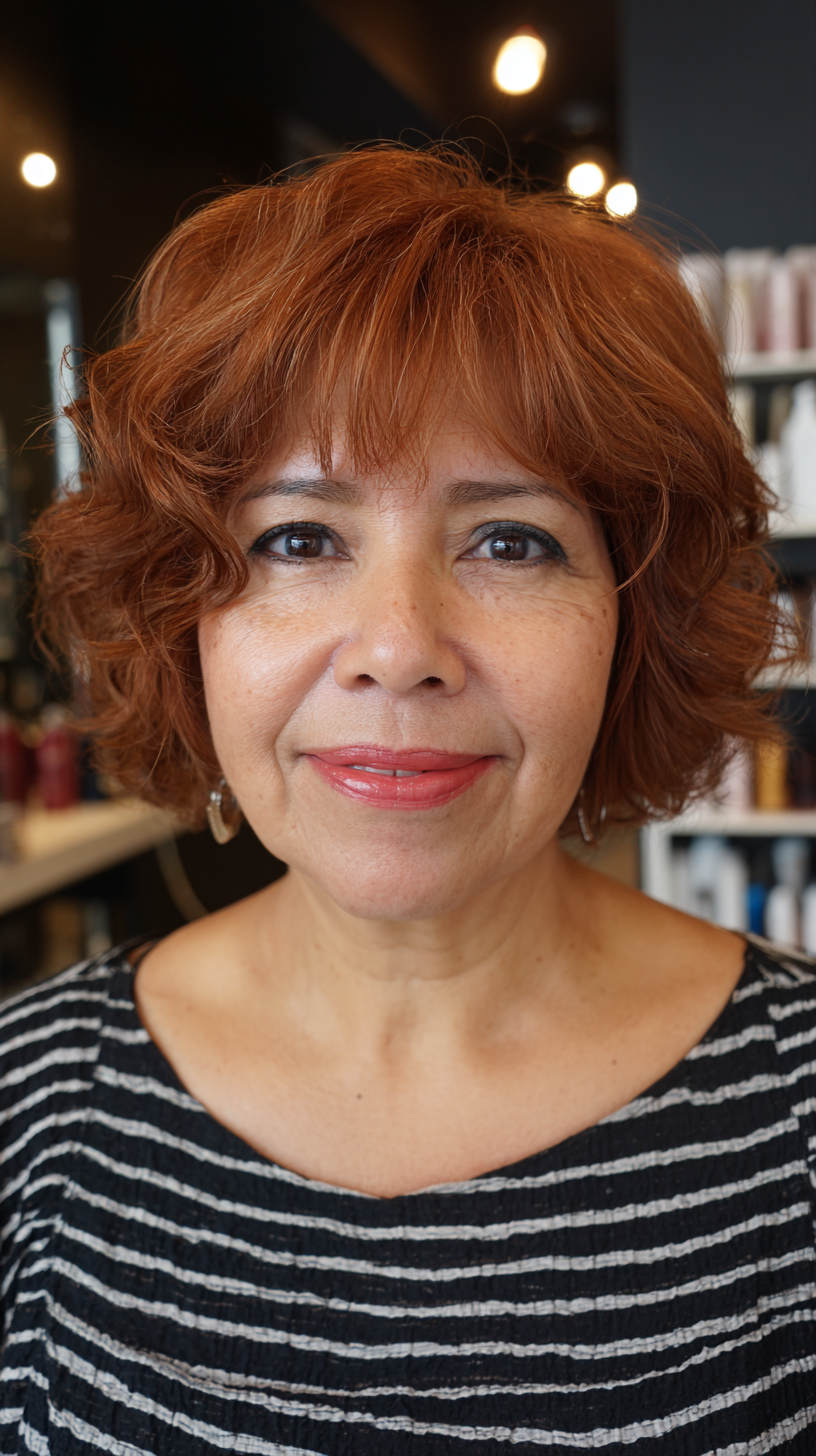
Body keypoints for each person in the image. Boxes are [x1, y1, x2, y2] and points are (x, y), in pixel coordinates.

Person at [4, 146, 814, 1454]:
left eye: (511, 540)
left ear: (631, 624)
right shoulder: (30, 1106)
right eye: (298, 539)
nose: (398, 645)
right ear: (180, 617)